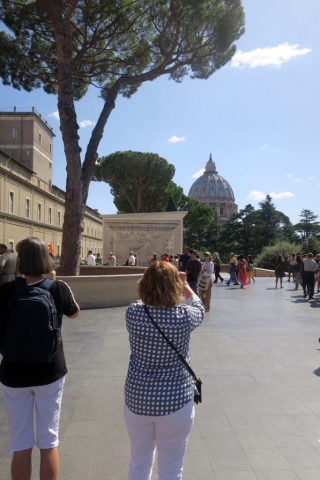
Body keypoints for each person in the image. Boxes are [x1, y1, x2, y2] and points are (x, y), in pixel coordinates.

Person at [0, 237, 80, 480]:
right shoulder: (58, 288)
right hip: (49, 372)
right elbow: (75, 312)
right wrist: (55, 282)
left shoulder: (5, 291)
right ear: (46, 259)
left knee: (20, 443)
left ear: (21, 261)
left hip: (13, 374)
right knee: (48, 440)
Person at [124, 261, 204, 480]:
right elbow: (199, 306)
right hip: (175, 403)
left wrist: (153, 282)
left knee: (139, 462)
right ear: (174, 287)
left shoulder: (133, 314)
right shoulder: (184, 318)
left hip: (137, 400)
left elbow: (142, 302)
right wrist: (185, 285)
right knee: (171, 467)